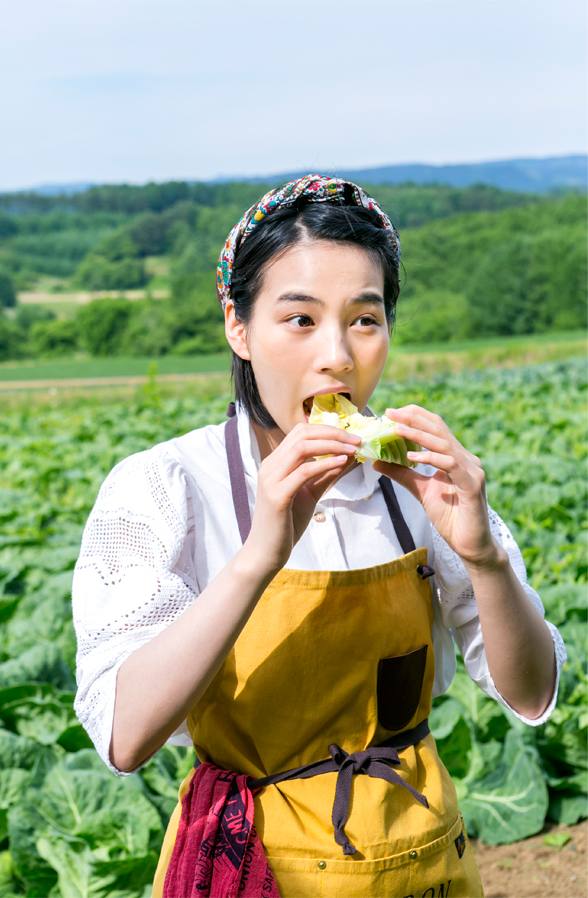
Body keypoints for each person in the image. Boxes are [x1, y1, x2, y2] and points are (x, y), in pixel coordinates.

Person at [72, 176, 566, 898]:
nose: (335, 355)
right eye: (299, 320)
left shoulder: (419, 487)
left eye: (364, 319)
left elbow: (529, 693)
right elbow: (125, 735)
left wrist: (484, 560)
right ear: (238, 329)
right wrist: (258, 556)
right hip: (253, 866)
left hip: (417, 855)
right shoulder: (165, 488)